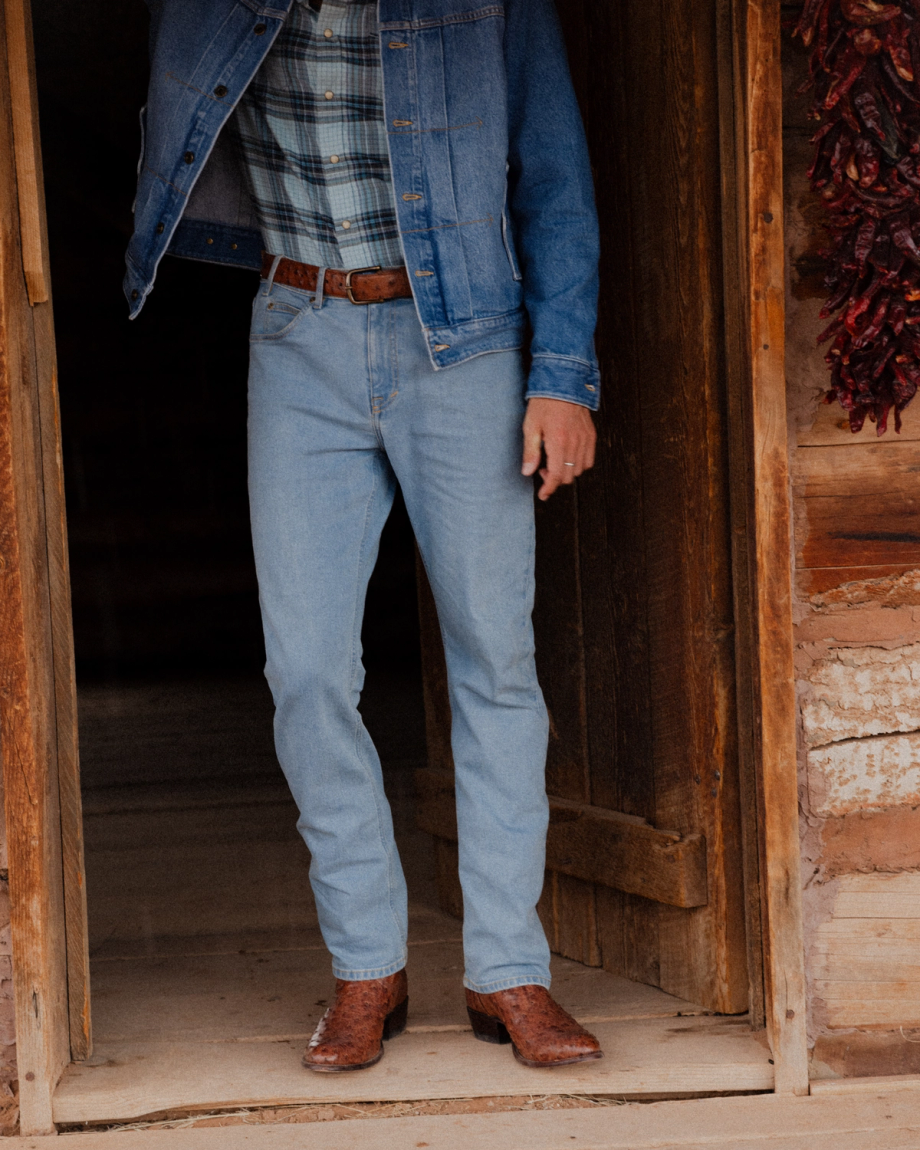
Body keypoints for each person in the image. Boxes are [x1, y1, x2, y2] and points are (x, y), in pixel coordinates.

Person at [127, 0, 602, 1072]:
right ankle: (365, 968)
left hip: (466, 340)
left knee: (492, 657)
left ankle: (507, 971)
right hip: (299, 332)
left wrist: (561, 374)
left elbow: (557, 178)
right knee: (303, 671)